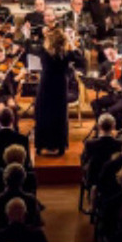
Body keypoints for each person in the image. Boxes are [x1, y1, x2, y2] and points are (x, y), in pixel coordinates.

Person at [35, 27, 83, 155]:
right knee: (59, 115)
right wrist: (71, 42)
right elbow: (80, 58)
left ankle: (40, 145)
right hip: (60, 86)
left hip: (45, 85)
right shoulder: (66, 55)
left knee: (43, 113)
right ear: (63, 41)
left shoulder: (43, 52)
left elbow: (32, 46)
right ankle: (60, 146)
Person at [91, 40, 122, 130]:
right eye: (107, 55)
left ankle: (117, 129)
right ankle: (101, 128)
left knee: (111, 110)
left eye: (111, 53)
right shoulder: (105, 65)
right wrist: (99, 83)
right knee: (95, 103)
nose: (109, 57)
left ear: (116, 50)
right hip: (113, 95)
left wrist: (121, 87)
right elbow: (104, 84)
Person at [81, 113, 121, 188]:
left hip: (93, 178)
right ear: (113, 126)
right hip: (113, 178)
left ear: (98, 126)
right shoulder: (119, 143)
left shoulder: (90, 144)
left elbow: (84, 161)